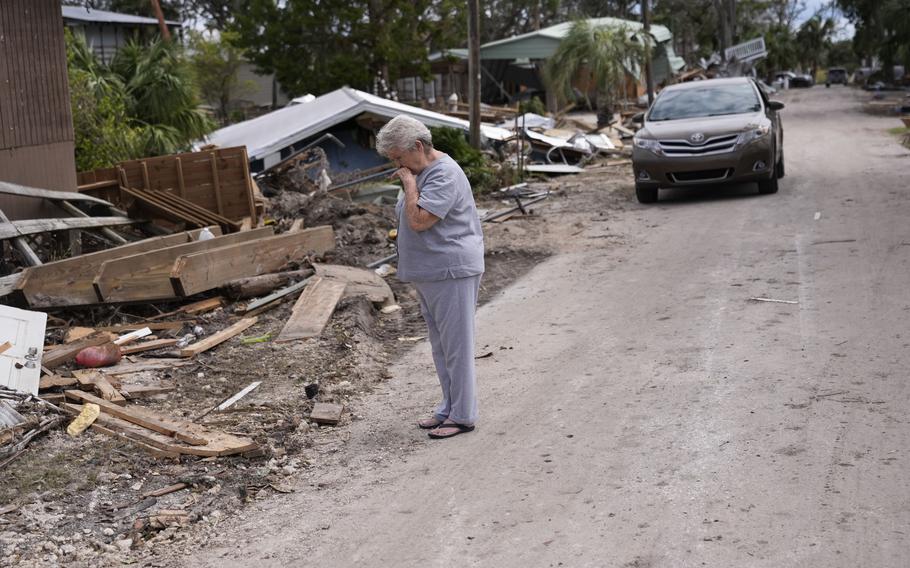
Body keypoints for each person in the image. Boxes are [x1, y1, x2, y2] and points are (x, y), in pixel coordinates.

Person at [375, 115, 485, 439]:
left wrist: (409, 186)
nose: (396, 165)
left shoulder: (444, 174)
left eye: (398, 157)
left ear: (418, 147)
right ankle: (449, 406)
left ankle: (463, 414)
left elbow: (421, 219)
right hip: (431, 272)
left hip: (451, 270)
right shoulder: (422, 171)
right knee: (441, 345)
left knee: (457, 345)